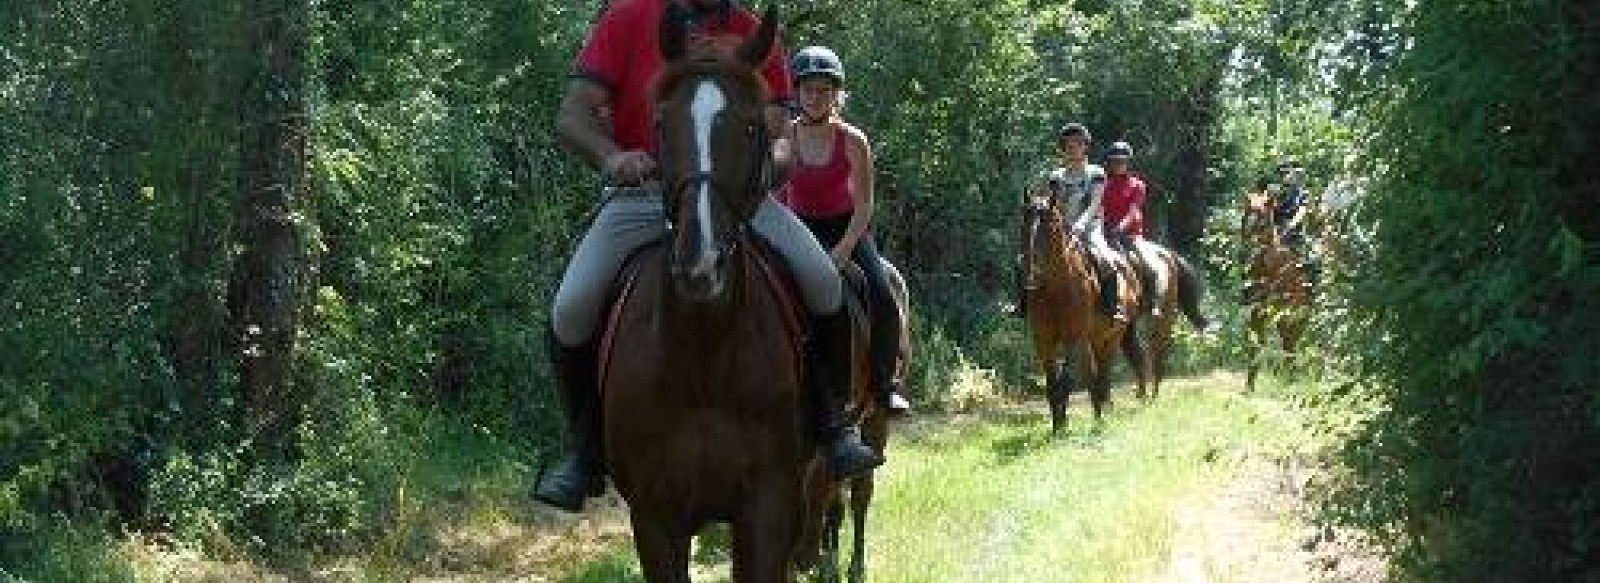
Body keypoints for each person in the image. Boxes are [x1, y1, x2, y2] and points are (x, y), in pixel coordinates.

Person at [535, 0, 882, 514]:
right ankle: (585, 452)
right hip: (644, 193)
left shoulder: (751, 31)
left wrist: (767, 169)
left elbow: (782, 136)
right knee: (571, 306)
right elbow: (573, 113)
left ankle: (831, 425)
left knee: (823, 281)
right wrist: (612, 157)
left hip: (737, 199)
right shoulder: (629, 17)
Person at [778, 45, 911, 416]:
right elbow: (775, 191)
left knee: (881, 291)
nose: (816, 98)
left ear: (836, 94)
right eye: (808, 90)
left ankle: (884, 384)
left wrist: (844, 248)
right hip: (797, 227)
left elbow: (865, 204)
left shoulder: (854, 140)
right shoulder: (784, 136)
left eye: (824, 90)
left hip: (845, 227)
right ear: (797, 93)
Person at [1034, 122, 1128, 322]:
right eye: (1068, 144)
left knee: (1106, 260)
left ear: (1085, 146)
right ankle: (1024, 305)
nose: (1073, 147)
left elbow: (1095, 203)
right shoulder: (1055, 176)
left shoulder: (1096, 173)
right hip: (1061, 229)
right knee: (1029, 259)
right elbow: (1052, 203)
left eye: (1077, 143)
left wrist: (1080, 226)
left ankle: (1114, 307)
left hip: (1090, 228)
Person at [1101, 140, 1158, 315]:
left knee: (1147, 266)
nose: (1118, 164)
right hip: (1104, 233)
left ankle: (1152, 302)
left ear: (1128, 163)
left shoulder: (1137, 185)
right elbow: (1099, 207)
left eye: (1122, 161)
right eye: (1115, 161)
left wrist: (1120, 228)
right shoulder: (1102, 183)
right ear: (1109, 163)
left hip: (1130, 234)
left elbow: (1133, 211)